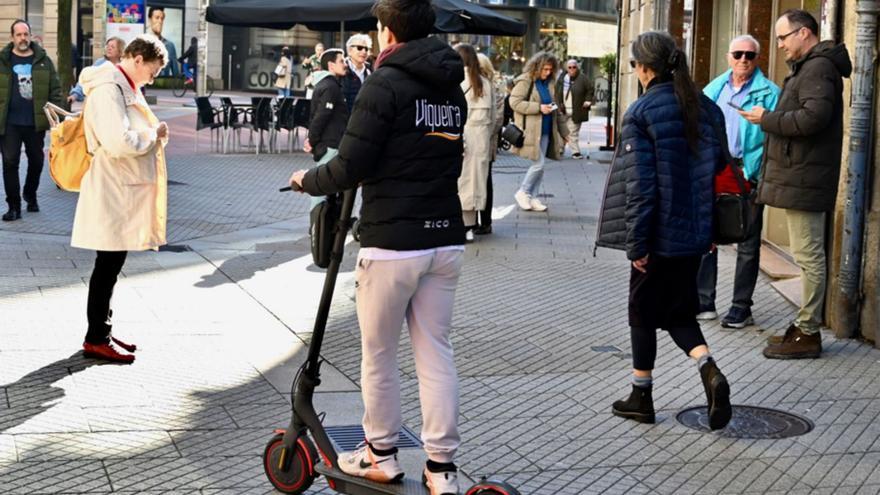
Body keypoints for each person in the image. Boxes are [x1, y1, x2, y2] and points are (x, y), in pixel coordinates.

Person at [288, 0, 467, 491]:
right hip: (445, 240)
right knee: (436, 351)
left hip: (392, 242)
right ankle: (442, 470)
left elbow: (349, 165)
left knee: (380, 354)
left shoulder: (384, 84)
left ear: (389, 32)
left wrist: (307, 180)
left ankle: (380, 454)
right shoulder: (451, 86)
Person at [595, 31, 732, 431]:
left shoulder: (641, 112)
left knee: (641, 311)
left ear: (645, 68)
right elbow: (719, 167)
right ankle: (709, 369)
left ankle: (642, 394)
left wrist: (637, 243)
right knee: (678, 311)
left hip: (657, 235)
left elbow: (642, 185)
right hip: (695, 234)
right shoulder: (706, 108)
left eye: (635, 65)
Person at [739, 9, 851, 359]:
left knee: (808, 256)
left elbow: (813, 118)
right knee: (807, 254)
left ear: (804, 33)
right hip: (802, 176)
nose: (780, 45)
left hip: (806, 178)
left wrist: (766, 119)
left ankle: (808, 331)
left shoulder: (818, 68)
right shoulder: (811, 67)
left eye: (784, 37)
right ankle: (804, 325)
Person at [70, 34, 169, 364]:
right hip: (113, 187)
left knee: (110, 265)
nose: (153, 79)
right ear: (138, 59)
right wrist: (153, 135)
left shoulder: (121, 86)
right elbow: (119, 141)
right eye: (153, 72)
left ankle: (102, 331)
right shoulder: (111, 88)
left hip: (119, 187)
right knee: (107, 266)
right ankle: (96, 337)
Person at [695, 35, 780, 328]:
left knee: (748, 241)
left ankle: (741, 307)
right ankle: (704, 301)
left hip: (748, 172)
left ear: (757, 59)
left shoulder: (770, 94)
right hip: (714, 170)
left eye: (750, 55)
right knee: (706, 237)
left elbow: (776, 139)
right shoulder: (712, 89)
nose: (744, 59)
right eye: (738, 54)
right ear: (729, 57)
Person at [0, 19, 63, 222]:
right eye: (18, 35)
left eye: (25, 34)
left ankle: (30, 193)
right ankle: (14, 206)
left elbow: (55, 89)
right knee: (10, 163)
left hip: (35, 122)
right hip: (9, 122)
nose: (23, 38)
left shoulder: (43, 60)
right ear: (12, 37)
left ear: (30, 35)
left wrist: (55, 115)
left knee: (36, 161)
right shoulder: (3, 60)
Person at [510, 52, 566, 213]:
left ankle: (533, 197)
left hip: (546, 129)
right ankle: (523, 192)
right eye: (545, 69)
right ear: (537, 67)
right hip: (531, 130)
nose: (548, 72)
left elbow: (556, 108)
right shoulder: (526, 80)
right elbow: (514, 102)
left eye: (550, 69)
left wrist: (564, 132)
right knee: (538, 163)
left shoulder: (550, 83)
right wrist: (538, 108)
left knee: (541, 166)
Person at [455, 44, 494, 243]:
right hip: (481, 140)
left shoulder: (454, 81)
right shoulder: (486, 84)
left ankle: (459, 225)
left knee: (460, 183)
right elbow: (494, 117)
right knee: (475, 184)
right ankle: (469, 227)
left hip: (460, 138)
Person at [474, 53, 505, 236]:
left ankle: (485, 221)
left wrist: (482, 136)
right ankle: (474, 219)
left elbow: (497, 119)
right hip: (477, 142)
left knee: (485, 181)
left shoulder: (494, 88)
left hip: (486, 143)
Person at [555, 59, 593, 159]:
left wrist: (588, 100)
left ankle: (575, 152)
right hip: (563, 110)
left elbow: (590, 90)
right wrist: (558, 105)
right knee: (561, 131)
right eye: (570, 67)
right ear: (566, 68)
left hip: (577, 110)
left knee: (572, 132)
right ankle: (560, 148)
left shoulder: (583, 79)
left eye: (574, 67)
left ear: (577, 68)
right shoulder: (562, 79)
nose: (572, 69)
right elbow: (556, 92)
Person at [69, 37, 125, 104]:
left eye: (112, 47)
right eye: (108, 46)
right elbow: (86, 79)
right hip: (98, 103)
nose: (109, 48)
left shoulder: (124, 66)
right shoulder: (100, 63)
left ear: (120, 51)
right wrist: (75, 95)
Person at [342, 33, 373, 112]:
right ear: (349, 50)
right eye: (359, 48)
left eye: (366, 49)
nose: (364, 51)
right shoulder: (341, 69)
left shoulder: (371, 71)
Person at [148, 7, 178, 77]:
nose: (160, 21)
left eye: (162, 18)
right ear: (150, 20)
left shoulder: (170, 46)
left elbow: (176, 74)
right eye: (157, 18)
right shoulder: (142, 43)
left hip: (163, 86)